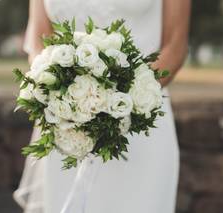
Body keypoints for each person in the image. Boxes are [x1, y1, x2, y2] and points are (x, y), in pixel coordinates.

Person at [14, 0, 191, 212]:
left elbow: (175, 46)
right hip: (68, 130)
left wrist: (118, 99)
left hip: (141, 129)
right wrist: (61, 93)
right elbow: (39, 39)